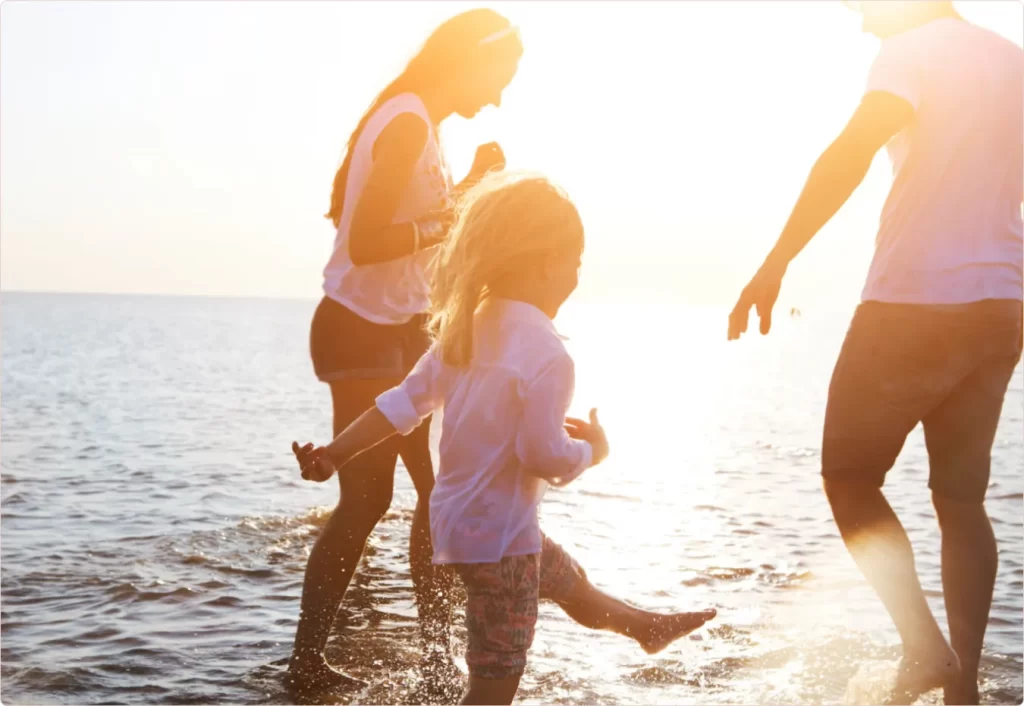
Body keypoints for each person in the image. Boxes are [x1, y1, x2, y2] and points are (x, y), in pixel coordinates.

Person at [294, 174, 717, 705]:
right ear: (544, 262)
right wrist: (593, 452)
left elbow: (400, 406)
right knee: (492, 690)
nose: (577, 278)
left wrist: (335, 453)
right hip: (502, 547)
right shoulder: (548, 354)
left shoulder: (464, 330)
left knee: (567, 581)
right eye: (576, 263)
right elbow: (543, 456)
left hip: (459, 533)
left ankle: (641, 627)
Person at [727, 2, 1022, 704]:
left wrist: (775, 261)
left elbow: (850, 153)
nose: (858, 10)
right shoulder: (1013, 59)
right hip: (1002, 301)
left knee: (849, 476)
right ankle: (966, 688)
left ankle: (924, 650)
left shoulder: (910, 51)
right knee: (961, 498)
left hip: (916, 299)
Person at [291, 8, 525, 691]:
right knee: (368, 501)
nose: (499, 96)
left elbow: (403, 227)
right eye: (500, 77)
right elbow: (366, 242)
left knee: (436, 490)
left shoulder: (419, 122)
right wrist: (456, 210)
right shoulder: (406, 120)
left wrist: (465, 190)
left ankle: (435, 657)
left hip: (399, 327)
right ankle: (307, 667)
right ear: (469, 60)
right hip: (359, 326)